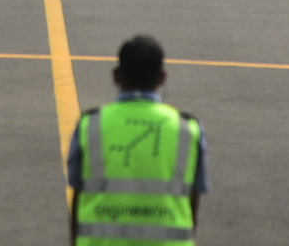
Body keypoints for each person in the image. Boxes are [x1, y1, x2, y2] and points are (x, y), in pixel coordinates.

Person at [66, 35, 208, 245]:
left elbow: (78, 196)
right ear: (162, 78)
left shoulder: (90, 124)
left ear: (116, 76)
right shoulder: (188, 129)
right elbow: (192, 203)